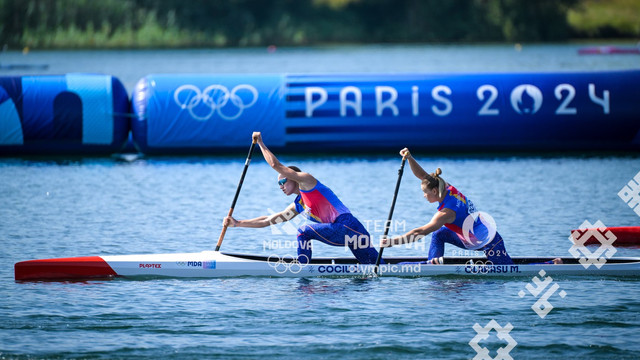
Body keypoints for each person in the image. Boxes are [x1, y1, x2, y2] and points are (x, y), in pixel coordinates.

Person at [223, 132, 380, 265]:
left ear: (294, 178)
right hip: (351, 233)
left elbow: (275, 165)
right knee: (378, 267)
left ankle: (303, 268)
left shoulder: (307, 181)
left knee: (302, 231)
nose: (281, 186)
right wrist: (237, 223)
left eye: (283, 181)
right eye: (279, 184)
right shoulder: (298, 206)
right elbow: (268, 220)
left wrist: (261, 144)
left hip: (348, 226)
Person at [380, 148, 514, 265]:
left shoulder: (446, 213)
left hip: (490, 241)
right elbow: (424, 176)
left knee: (509, 269)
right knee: (439, 234)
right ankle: (434, 263)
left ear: (433, 191)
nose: (424, 196)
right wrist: (409, 158)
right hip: (470, 237)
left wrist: (392, 242)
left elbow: (420, 232)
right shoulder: (446, 187)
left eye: (424, 193)